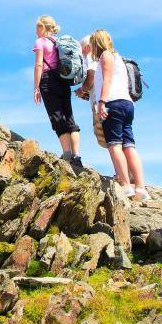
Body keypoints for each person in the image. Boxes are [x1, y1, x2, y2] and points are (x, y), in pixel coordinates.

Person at [90, 30, 149, 200]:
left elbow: (107, 80)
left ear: (96, 43)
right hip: (127, 103)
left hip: (113, 102)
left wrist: (102, 102)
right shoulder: (120, 58)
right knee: (129, 145)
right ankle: (140, 187)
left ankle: (125, 184)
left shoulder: (106, 56)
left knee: (114, 144)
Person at [32, 16, 82, 166]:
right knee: (69, 116)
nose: (35, 31)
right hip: (63, 79)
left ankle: (67, 155)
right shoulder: (58, 42)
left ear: (43, 28)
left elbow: (39, 65)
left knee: (57, 116)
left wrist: (36, 87)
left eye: (37, 27)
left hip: (48, 79)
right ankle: (77, 156)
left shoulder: (40, 42)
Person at [75, 35, 107, 149]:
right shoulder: (106, 57)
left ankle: (120, 167)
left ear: (88, 47)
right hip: (118, 101)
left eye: (82, 50)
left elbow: (90, 79)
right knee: (123, 142)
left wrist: (81, 90)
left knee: (110, 142)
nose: (82, 55)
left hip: (100, 104)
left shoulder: (91, 57)